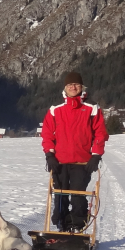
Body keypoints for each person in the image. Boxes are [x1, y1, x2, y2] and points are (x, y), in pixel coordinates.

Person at [41, 71, 108, 231]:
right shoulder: (55, 109)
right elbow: (47, 133)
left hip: (82, 161)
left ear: (82, 87)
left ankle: (77, 226)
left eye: (76, 84)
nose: (73, 87)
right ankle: (62, 224)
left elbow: (100, 133)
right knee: (60, 195)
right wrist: (49, 155)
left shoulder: (92, 107)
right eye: (70, 85)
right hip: (59, 161)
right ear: (65, 87)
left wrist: (96, 155)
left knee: (77, 195)